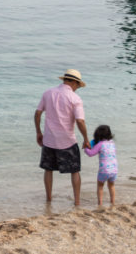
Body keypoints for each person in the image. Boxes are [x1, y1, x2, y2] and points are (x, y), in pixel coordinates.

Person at [34, 69, 89, 206]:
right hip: (68, 141)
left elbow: (37, 113)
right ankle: (77, 202)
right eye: (78, 86)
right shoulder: (75, 98)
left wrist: (38, 132)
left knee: (48, 169)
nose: (77, 89)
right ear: (75, 83)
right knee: (75, 171)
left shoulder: (48, 93)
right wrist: (86, 139)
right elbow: (80, 121)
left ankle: (49, 199)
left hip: (49, 140)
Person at [84, 124, 118, 205]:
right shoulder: (112, 143)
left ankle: (100, 203)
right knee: (111, 186)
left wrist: (85, 148)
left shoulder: (100, 144)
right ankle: (112, 202)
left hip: (104, 170)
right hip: (114, 169)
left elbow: (91, 153)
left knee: (100, 186)